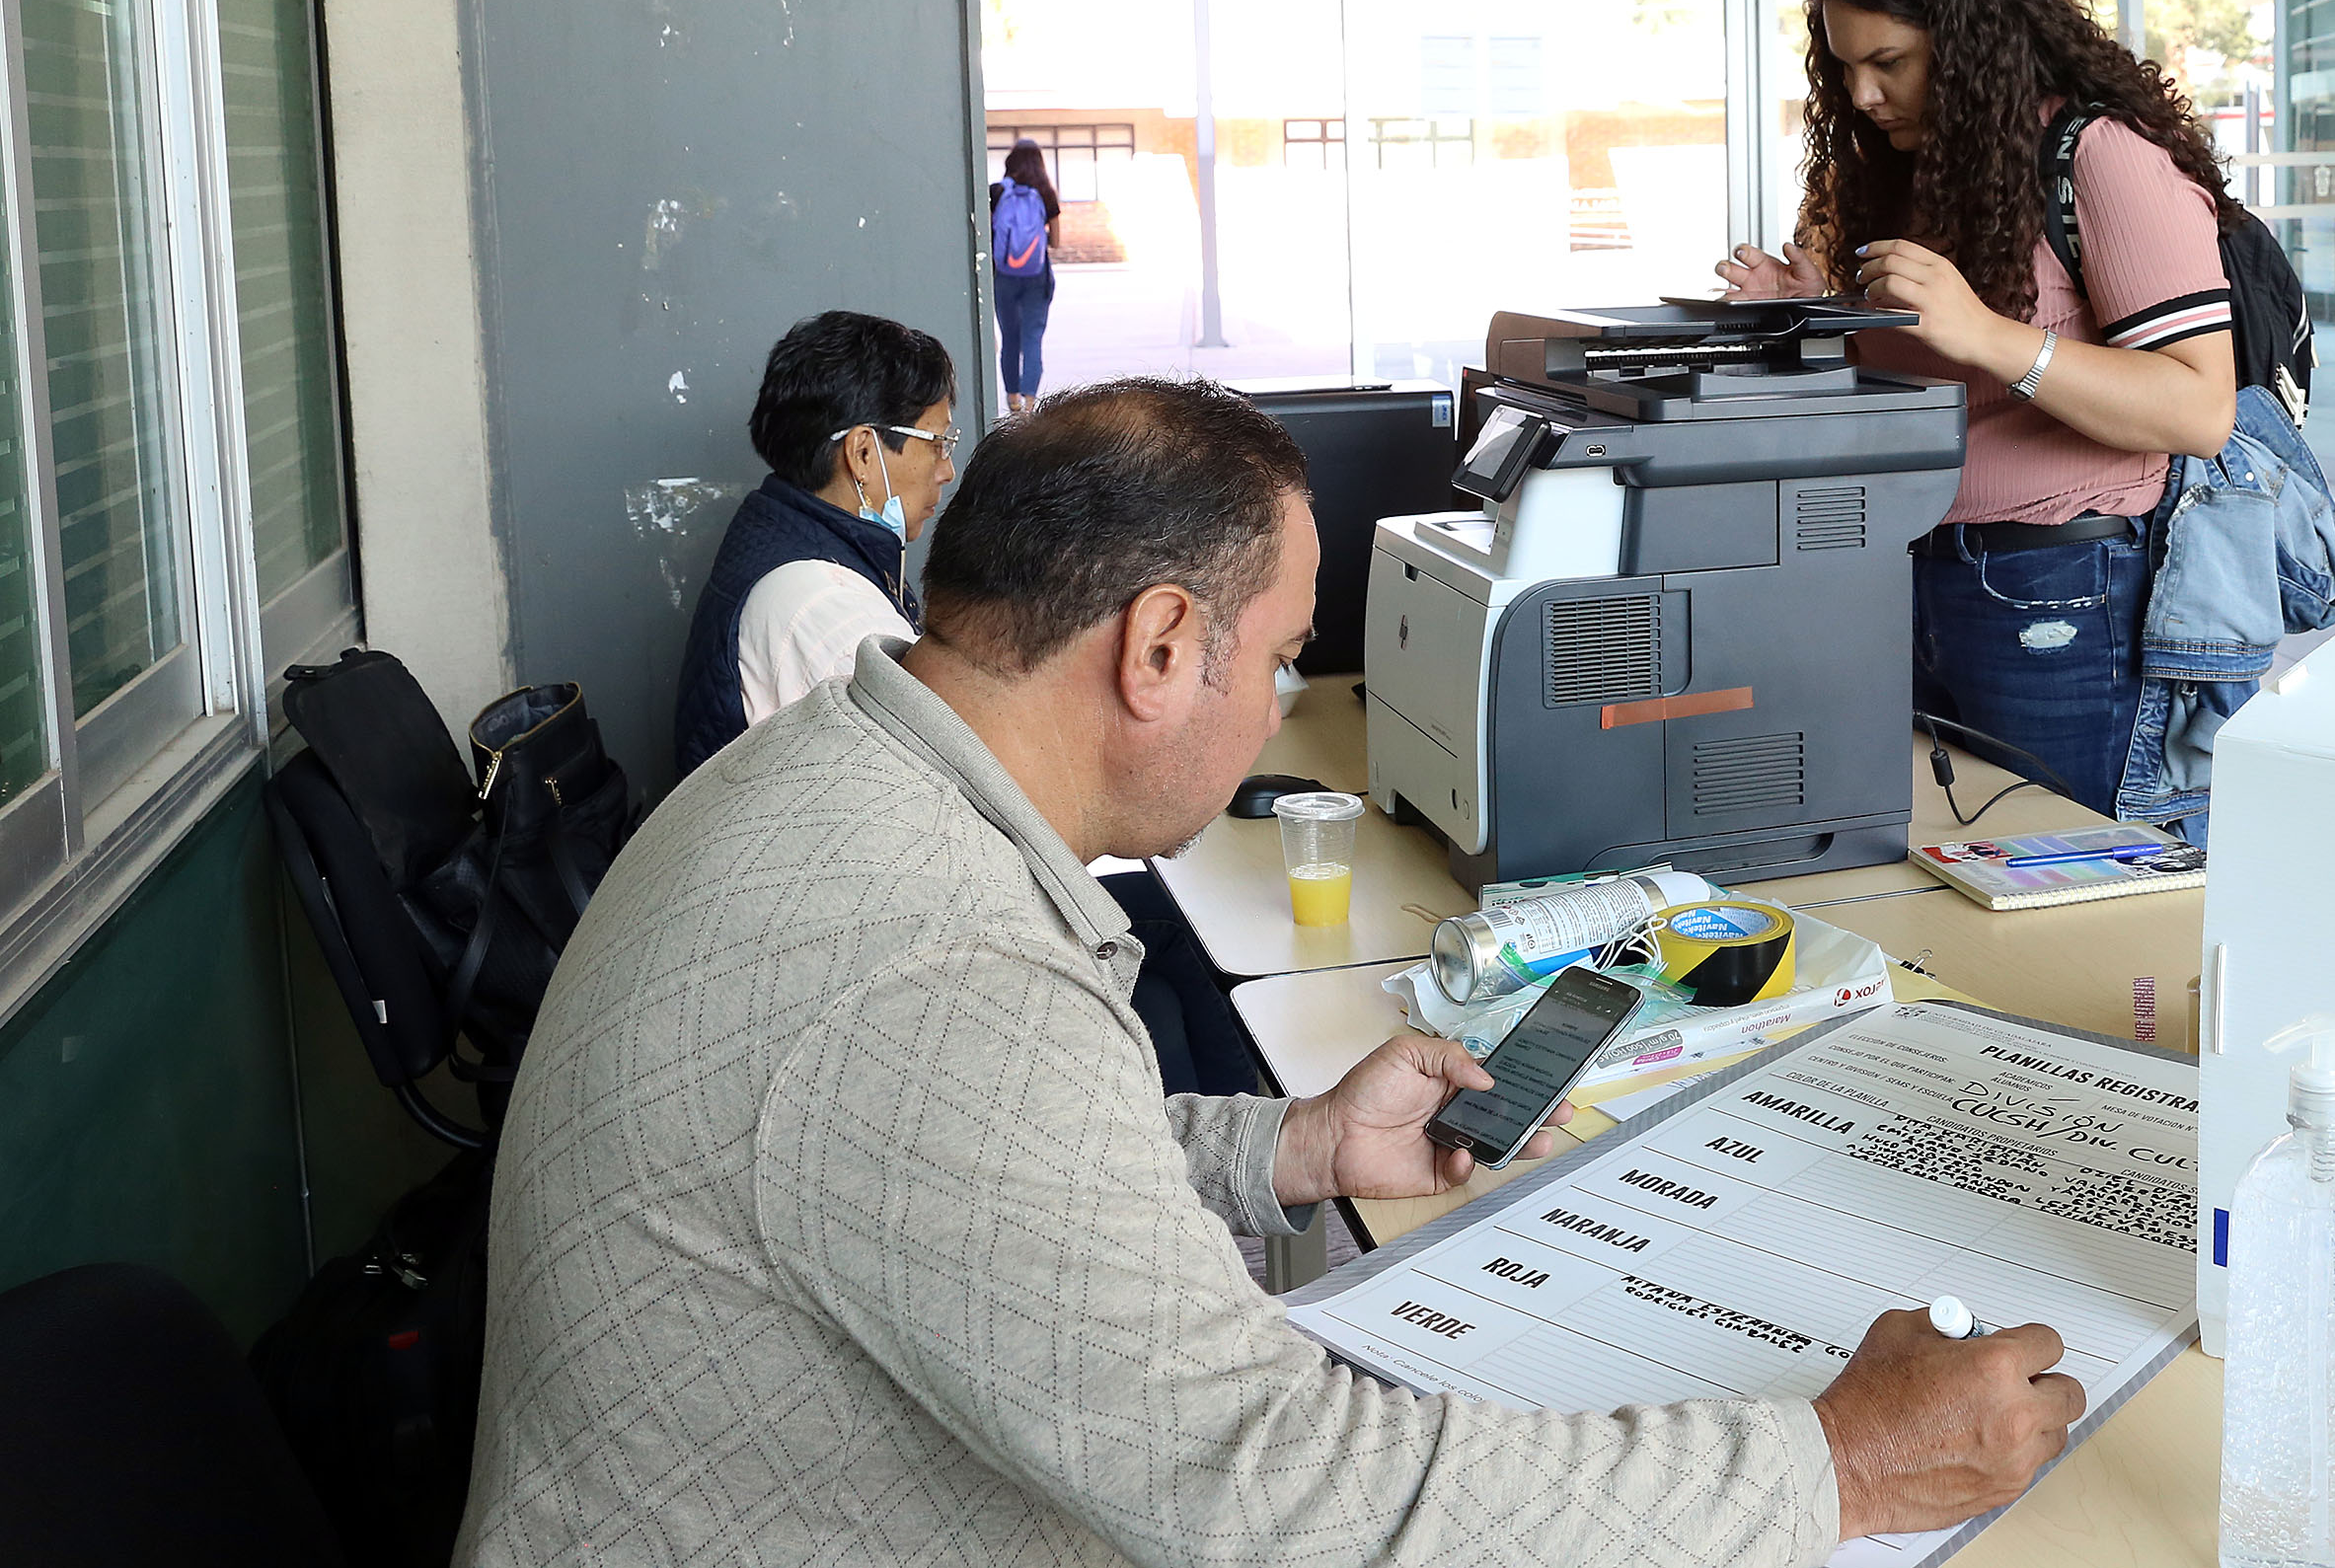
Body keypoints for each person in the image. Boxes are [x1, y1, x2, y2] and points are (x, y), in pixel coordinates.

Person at [465, 379, 2083, 1566]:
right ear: (1162, 645)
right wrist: (1837, 1467)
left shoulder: (849, 783)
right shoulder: (927, 948)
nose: (1288, 699)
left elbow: (943, 1154)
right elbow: (1273, 1488)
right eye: (1287, 653)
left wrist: (1284, 1147)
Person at [1720, 0, 2238, 817]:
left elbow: (2198, 409)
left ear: (1967, 44)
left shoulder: (2102, 158)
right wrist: (1814, 316)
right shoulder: (1906, 170)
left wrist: (1989, 336)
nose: (1863, 96)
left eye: (1890, 63)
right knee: (1933, 879)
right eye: (1845, 69)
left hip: (2055, 589)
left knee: (2064, 883)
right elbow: (1930, 367)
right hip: (1900, 571)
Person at [671, 309, 957, 779]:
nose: (946, 470)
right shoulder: (828, 610)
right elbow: (938, 786)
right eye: (938, 443)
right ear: (863, 453)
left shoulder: (782, 530)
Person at [993, 136, 1061, 413]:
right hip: (1037, 275)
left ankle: (1012, 401)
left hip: (1003, 275)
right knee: (1032, 337)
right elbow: (1056, 241)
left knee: (1010, 338)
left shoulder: (996, 193)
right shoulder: (1046, 193)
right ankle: (1030, 402)